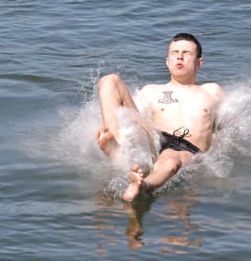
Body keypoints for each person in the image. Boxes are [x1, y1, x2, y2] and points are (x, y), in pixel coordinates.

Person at [94, 33, 225, 202]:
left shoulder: (212, 91)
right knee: (109, 80)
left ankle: (143, 186)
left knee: (170, 161)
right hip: (154, 139)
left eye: (187, 53)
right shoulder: (150, 91)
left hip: (188, 148)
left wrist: (216, 153)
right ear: (167, 61)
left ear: (199, 62)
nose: (179, 56)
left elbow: (227, 128)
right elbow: (134, 119)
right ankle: (118, 149)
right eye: (175, 52)